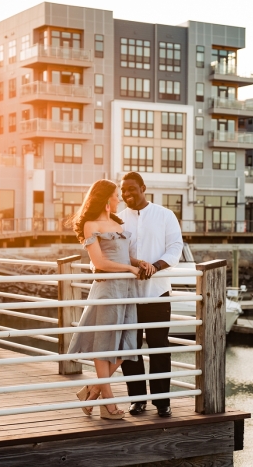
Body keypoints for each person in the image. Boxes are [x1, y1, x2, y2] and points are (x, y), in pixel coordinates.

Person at [67, 179, 149, 420]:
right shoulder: (90, 226)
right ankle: (108, 403)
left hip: (127, 291)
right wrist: (129, 269)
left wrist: (138, 263)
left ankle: (92, 391)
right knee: (104, 346)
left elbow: (124, 255)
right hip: (108, 289)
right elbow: (100, 263)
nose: (119, 199)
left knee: (127, 345)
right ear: (105, 199)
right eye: (115, 195)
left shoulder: (117, 223)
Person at [118, 172, 183, 417]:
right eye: (123, 191)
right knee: (130, 348)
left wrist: (155, 266)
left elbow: (176, 247)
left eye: (132, 189)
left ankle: (162, 401)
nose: (127, 195)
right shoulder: (119, 220)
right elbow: (117, 252)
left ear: (143, 188)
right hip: (128, 294)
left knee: (158, 347)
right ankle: (137, 399)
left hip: (158, 292)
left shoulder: (165, 215)